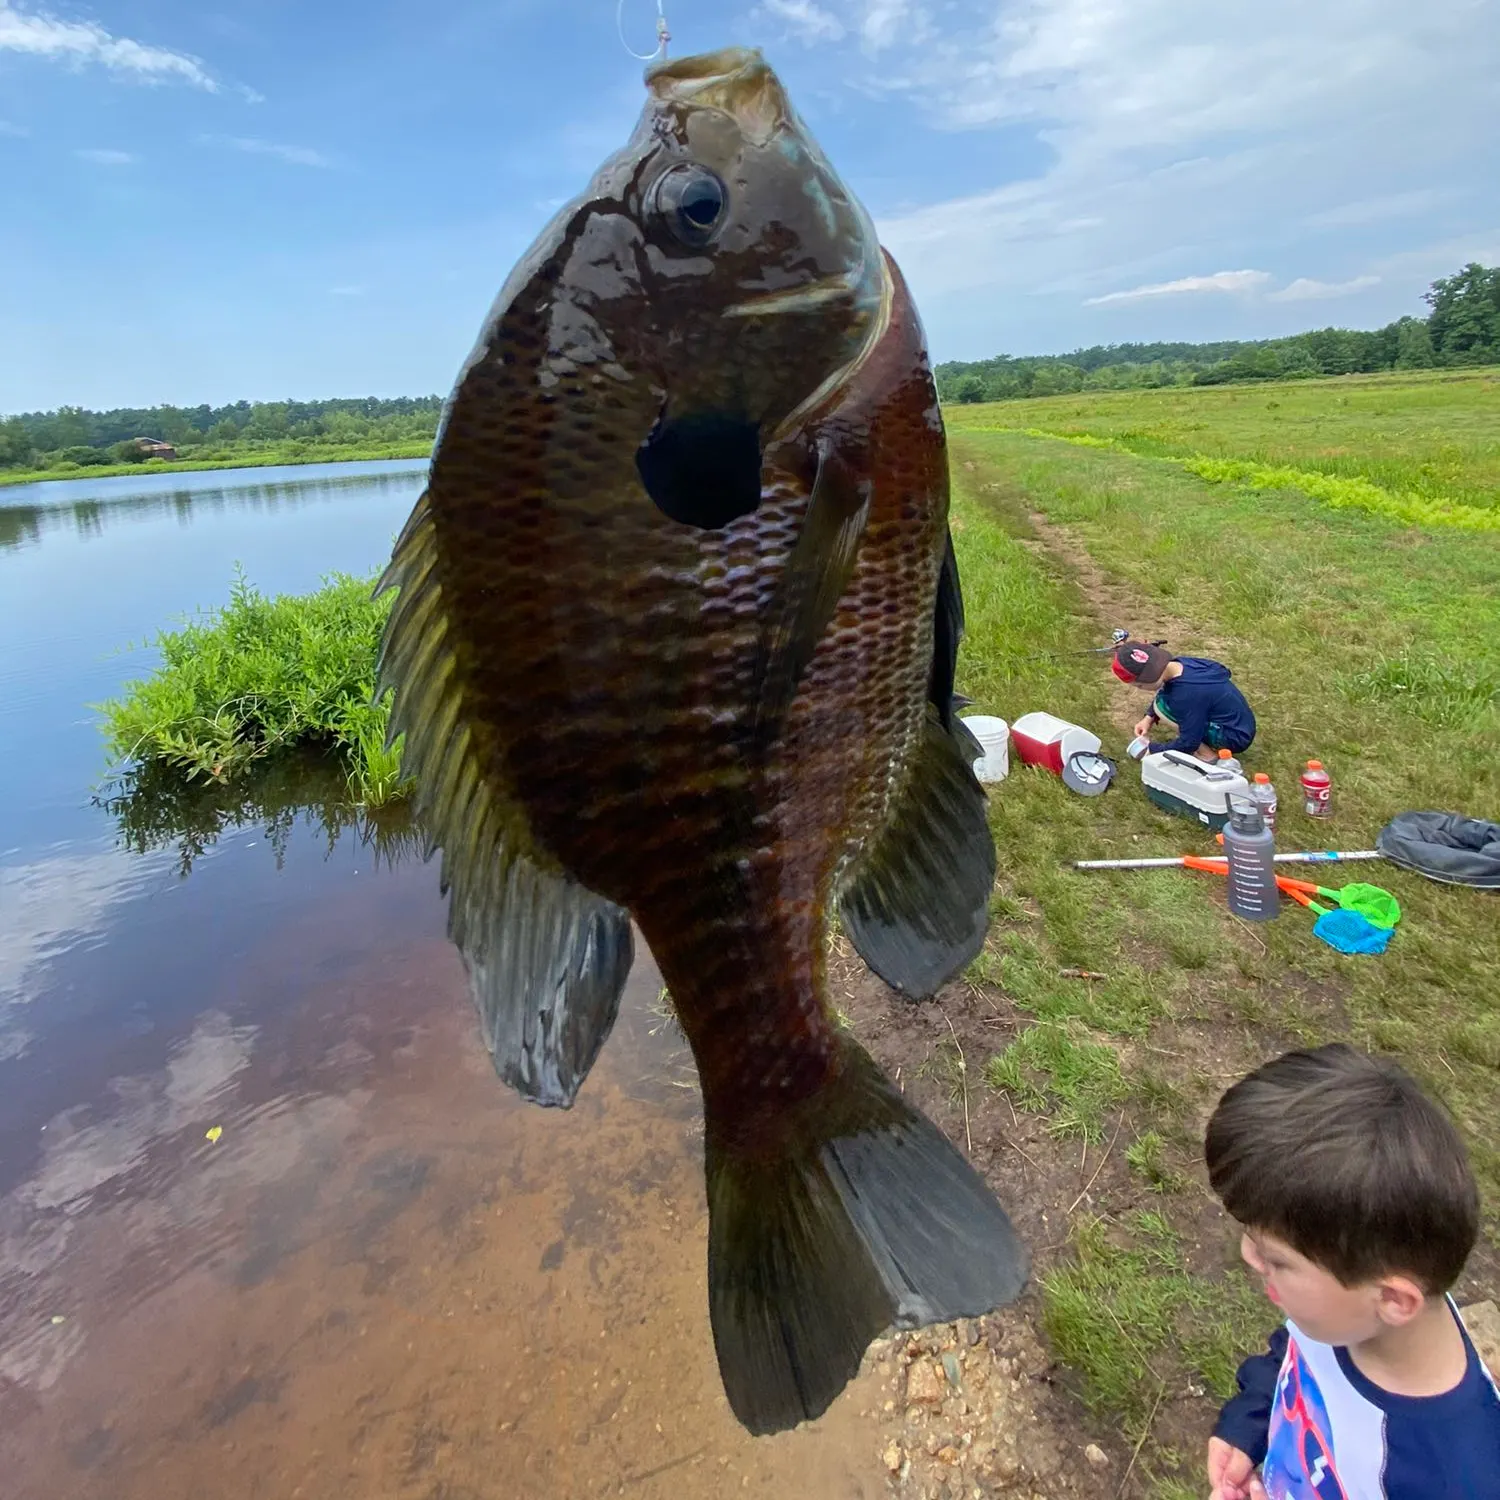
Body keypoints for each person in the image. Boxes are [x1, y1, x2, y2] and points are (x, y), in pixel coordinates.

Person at [1203, 1042, 1500, 1499]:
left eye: (1276, 1259)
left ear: (1393, 1300)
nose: (1247, 1254)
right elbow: (1295, 1355)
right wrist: (1250, 1424)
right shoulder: (1348, 1318)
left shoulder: (1451, 1479)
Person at [1112, 639, 1255, 763]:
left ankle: (1207, 755)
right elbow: (1165, 690)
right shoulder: (1179, 665)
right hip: (1241, 725)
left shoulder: (1185, 696)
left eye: (1139, 685)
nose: (1141, 689)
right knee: (1161, 703)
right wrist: (1148, 718)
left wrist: (1153, 749)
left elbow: (1189, 742)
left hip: (1233, 737)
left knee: (1164, 709)